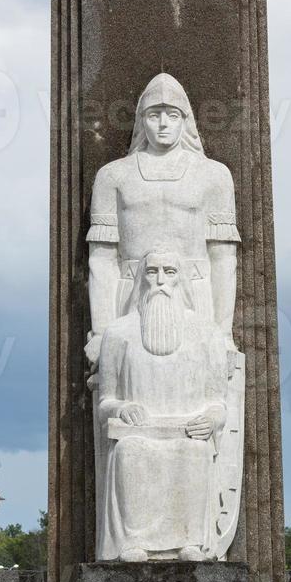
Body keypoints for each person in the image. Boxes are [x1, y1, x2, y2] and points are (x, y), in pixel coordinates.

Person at [86, 73, 240, 365]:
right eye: (154, 115)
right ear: (142, 120)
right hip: (129, 292)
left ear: (185, 119)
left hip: (196, 292)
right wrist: (100, 332)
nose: (164, 123)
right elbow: (102, 259)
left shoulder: (214, 176)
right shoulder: (113, 176)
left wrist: (223, 333)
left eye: (172, 114)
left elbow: (223, 259)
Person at [96, 249, 229, 562]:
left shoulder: (206, 333)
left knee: (194, 452)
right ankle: (133, 542)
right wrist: (120, 409)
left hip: (186, 434)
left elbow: (219, 403)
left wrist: (210, 420)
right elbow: (105, 401)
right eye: (152, 272)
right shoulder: (118, 333)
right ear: (141, 278)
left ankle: (189, 543)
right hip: (139, 434)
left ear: (181, 279)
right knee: (131, 452)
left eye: (169, 272)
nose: (160, 281)